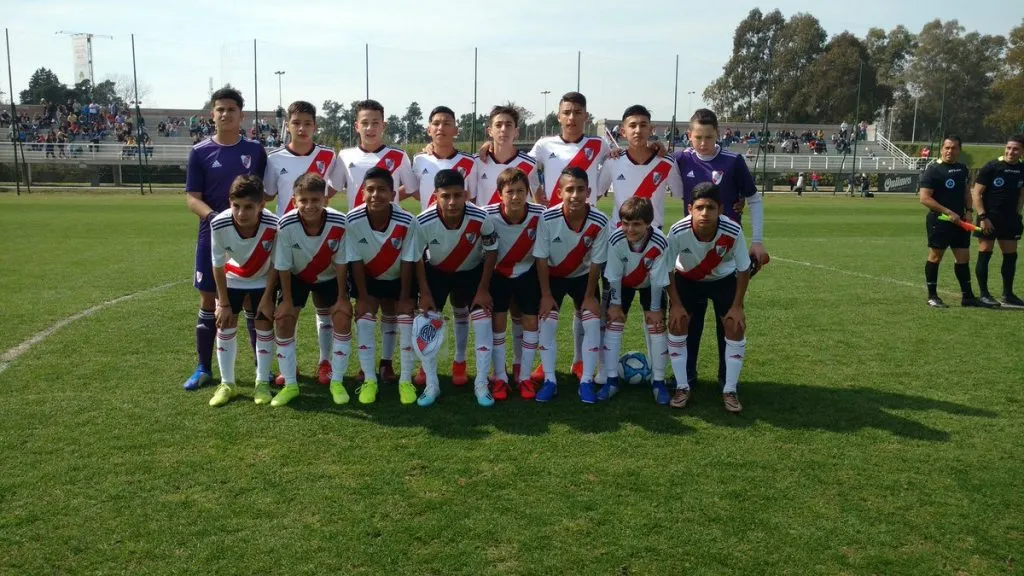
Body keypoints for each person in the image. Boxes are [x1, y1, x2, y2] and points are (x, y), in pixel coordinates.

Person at [327, 99, 419, 386]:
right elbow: (331, 189)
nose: (370, 128)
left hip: (391, 237)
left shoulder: (398, 156)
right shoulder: (345, 155)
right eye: (364, 123)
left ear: (384, 125)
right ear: (357, 126)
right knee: (364, 304)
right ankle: (364, 365)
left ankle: (386, 364)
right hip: (359, 237)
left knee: (391, 308)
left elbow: (411, 188)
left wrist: (388, 202)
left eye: (375, 123)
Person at [674, 108, 766, 392]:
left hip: (725, 254)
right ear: (689, 136)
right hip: (692, 257)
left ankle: (727, 383)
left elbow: (754, 199)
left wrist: (757, 241)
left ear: (718, 135)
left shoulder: (733, 161)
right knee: (689, 324)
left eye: (709, 137)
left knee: (728, 323)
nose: (703, 143)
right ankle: (686, 380)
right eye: (698, 137)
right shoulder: (681, 159)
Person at [183, 87, 268, 391]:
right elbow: (192, 198)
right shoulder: (200, 152)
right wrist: (217, 220)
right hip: (212, 235)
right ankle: (203, 368)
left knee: (250, 299)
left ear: (241, 115)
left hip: (250, 236)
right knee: (210, 299)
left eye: (231, 109)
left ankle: (261, 369)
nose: (225, 114)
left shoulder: (256, 151)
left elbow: (262, 194)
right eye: (220, 109)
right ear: (212, 114)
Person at [263, 101, 337, 386]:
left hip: (321, 241)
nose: (302, 128)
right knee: (288, 310)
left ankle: (325, 362)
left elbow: (335, 188)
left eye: (307, 123)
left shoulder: (329, 156)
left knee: (324, 308)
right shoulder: (275, 158)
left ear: (315, 126)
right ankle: (288, 367)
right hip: (288, 242)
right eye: (296, 123)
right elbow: (269, 195)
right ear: (288, 125)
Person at [413, 169, 497, 407]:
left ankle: (481, 383)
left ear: (466, 194)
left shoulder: (481, 217)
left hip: (471, 273)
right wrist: (425, 293)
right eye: (445, 196)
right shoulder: (423, 221)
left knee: (482, 319)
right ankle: (432, 385)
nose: (452, 202)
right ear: (436, 196)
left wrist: (483, 289)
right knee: (427, 321)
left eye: (457, 195)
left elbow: (492, 251)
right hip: (436, 272)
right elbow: (416, 257)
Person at [666, 182, 751, 412]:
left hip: (722, 280)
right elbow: (667, 269)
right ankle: (683, 386)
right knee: (677, 323)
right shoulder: (677, 231)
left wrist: (738, 306)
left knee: (734, 325)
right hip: (687, 279)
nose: (705, 213)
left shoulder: (732, 230)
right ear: (690, 209)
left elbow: (744, 269)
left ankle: (729, 389)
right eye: (700, 207)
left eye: (711, 207)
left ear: (720, 209)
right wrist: (675, 304)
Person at [411, 106, 479, 387]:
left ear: (456, 129)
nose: (441, 128)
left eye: (447, 123)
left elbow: (473, 197)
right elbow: (411, 190)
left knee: (461, 307)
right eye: (436, 123)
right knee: (430, 310)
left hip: (462, 244)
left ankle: (459, 362)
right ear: (429, 129)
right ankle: (426, 364)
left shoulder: (472, 161)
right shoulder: (418, 160)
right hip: (432, 245)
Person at [472, 104, 540, 385]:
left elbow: (537, 199)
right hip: (488, 250)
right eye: (498, 125)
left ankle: (519, 369)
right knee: (495, 313)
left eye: (508, 125)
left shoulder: (530, 163)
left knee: (520, 312)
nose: (503, 129)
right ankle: (497, 373)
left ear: (517, 131)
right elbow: (470, 200)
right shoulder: (476, 161)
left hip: (521, 246)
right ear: (490, 130)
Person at [270, 173, 352, 407]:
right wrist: (286, 301)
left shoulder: (340, 222)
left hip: (329, 276)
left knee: (342, 317)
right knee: (284, 319)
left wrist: (342, 297)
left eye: (315, 200)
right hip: (296, 277)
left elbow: (341, 263)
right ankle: (290, 383)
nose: (309, 205)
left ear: (325, 199)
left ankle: (335, 378)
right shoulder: (285, 224)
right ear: (294, 201)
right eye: (303, 200)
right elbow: (283, 265)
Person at [533, 166, 609, 404]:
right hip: (553, 276)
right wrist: (546, 294)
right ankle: (550, 380)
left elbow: (597, 261)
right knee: (547, 321)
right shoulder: (547, 218)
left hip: (583, 277)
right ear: (559, 193)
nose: (575, 195)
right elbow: (541, 258)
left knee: (593, 320)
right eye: (570, 190)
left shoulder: (600, 220)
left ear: (588, 192)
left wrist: (589, 296)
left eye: (580, 189)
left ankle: (586, 381)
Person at [345, 167, 421, 405]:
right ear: (362, 192)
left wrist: (405, 297)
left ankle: (404, 379)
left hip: (400, 277)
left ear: (392, 194)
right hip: (367, 277)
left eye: (382, 190)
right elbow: (355, 260)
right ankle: (369, 378)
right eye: (370, 189)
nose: (375, 195)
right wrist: (363, 296)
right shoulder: (352, 220)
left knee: (403, 319)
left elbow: (409, 260)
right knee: (365, 318)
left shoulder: (408, 220)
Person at [208, 175, 279, 407]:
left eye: (248, 207)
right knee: (225, 325)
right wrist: (223, 303)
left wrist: (267, 299)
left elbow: (276, 264)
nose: (241, 212)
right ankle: (227, 384)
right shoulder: (219, 223)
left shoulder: (274, 224)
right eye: (236, 205)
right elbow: (217, 264)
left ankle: (262, 382)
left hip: (262, 281)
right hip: (231, 280)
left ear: (261, 205)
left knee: (264, 327)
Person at [601, 197, 671, 403]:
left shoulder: (660, 241)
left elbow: (658, 279)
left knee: (656, 326)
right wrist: (615, 304)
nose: (630, 229)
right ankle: (611, 380)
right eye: (626, 223)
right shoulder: (616, 239)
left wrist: (655, 309)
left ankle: (658, 382)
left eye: (637, 224)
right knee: (614, 323)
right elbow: (613, 276)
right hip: (622, 283)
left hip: (650, 284)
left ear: (648, 223)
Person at [482, 168, 545, 400]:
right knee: (498, 322)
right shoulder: (487, 215)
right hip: (497, 274)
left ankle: (525, 376)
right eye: (510, 192)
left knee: (530, 321)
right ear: (500, 194)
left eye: (521, 191)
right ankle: (500, 377)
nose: (516, 196)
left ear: (528, 192)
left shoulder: (541, 214)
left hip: (527, 273)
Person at [918, 136, 990, 308]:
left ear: (959, 150)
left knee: (963, 257)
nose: (950, 151)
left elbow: (966, 192)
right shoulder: (933, 170)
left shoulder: (962, 169)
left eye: (954, 148)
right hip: (940, 221)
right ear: (942, 149)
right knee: (935, 256)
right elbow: (924, 198)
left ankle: (968, 297)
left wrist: (969, 211)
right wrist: (948, 212)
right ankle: (932, 296)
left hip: (961, 222)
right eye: (947, 147)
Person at [596, 104, 683, 229]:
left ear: (651, 129)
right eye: (632, 126)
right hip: (619, 233)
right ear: (623, 132)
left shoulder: (667, 162)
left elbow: (681, 194)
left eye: (643, 125)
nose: (638, 130)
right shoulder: (613, 161)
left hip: (653, 235)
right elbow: (596, 195)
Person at [972, 134, 1024, 308]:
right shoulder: (992, 166)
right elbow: (976, 193)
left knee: (1010, 256)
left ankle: (1008, 295)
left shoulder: (1022, 168)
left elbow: (1021, 194)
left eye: (1015, 149)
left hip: (1010, 220)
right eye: (1008, 148)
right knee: (985, 252)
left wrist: (1018, 214)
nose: (1011, 152)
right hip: (989, 218)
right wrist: (983, 217)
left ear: (1022, 152)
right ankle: (984, 294)